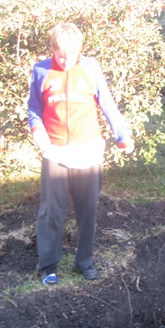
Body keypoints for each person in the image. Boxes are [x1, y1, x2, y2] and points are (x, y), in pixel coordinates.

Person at [28, 23, 134, 285]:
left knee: (88, 211)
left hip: (88, 152)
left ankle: (84, 261)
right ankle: (48, 265)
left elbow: (107, 103)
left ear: (79, 50)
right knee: (51, 211)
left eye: (72, 54)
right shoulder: (41, 70)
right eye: (61, 54)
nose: (66, 60)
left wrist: (122, 135)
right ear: (53, 49)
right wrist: (37, 129)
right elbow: (34, 107)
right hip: (55, 152)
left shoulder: (90, 69)